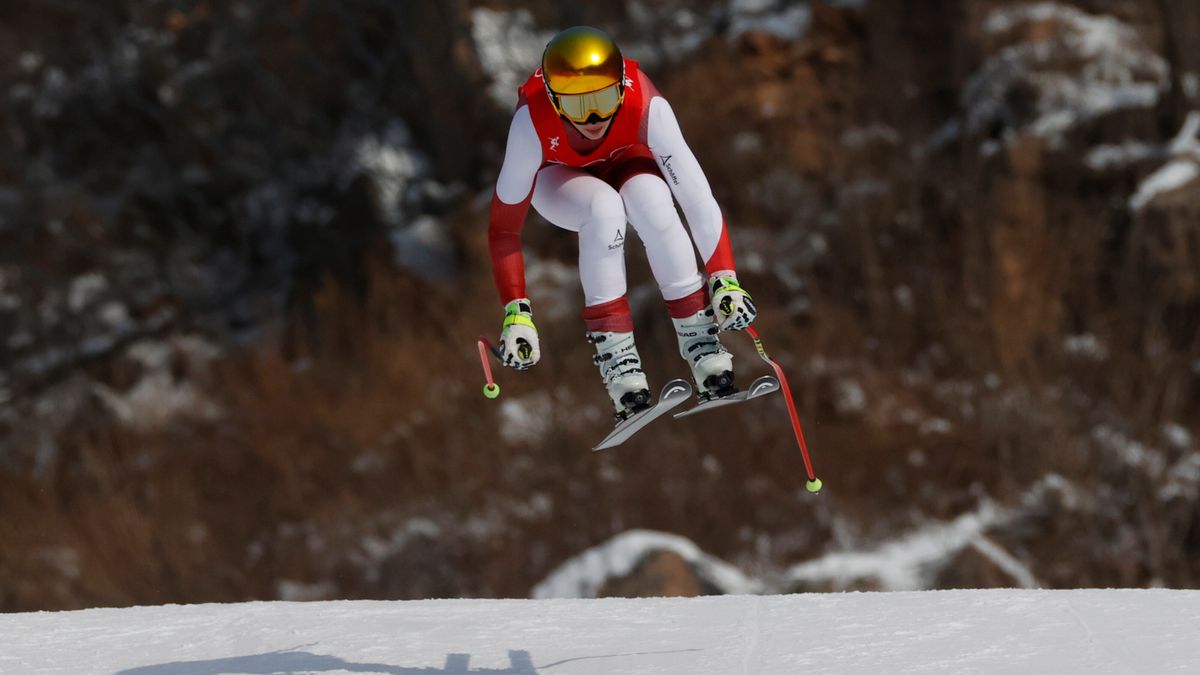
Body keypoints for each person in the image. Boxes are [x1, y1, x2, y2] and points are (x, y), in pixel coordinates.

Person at [488, 25, 758, 421]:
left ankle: (704, 347)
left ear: (622, 86)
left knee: (653, 202)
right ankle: (620, 367)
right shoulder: (531, 125)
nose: (595, 117)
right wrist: (517, 310)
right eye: (579, 106)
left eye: (605, 99)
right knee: (603, 209)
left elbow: (697, 197)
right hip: (559, 175)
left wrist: (725, 278)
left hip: (626, 156)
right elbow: (504, 230)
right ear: (555, 102)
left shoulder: (645, 103)